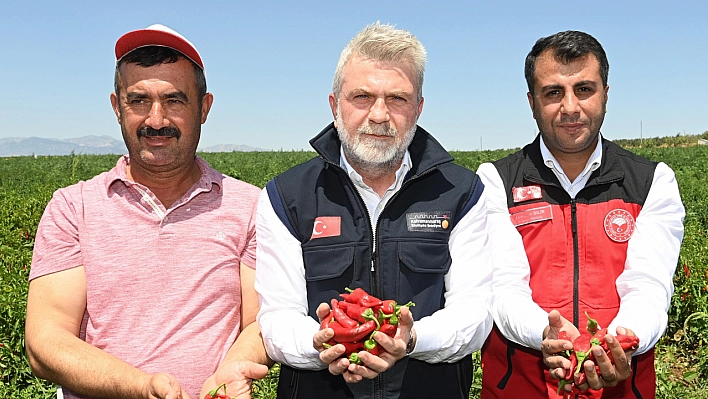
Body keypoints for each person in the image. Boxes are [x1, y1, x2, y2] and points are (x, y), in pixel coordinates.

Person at [25, 24, 270, 399]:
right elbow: (46, 341)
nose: (156, 120)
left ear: (204, 108)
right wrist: (141, 387)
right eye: (138, 101)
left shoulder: (250, 206)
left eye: (175, 101)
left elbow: (258, 321)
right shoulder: (73, 208)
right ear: (116, 107)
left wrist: (233, 369)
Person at [255, 22, 493, 399]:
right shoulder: (287, 196)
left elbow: (474, 314)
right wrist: (323, 344)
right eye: (362, 97)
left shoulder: (461, 193)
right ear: (335, 105)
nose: (379, 115)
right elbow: (277, 318)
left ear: (418, 108)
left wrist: (411, 338)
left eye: (397, 99)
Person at [478, 30, 685, 398]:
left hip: (622, 387)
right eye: (553, 92)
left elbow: (649, 286)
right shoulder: (495, 181)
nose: (570, 107)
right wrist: (545, 332)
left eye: (584, 89)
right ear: (532, 102)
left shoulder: (652, 181)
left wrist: (618, 343)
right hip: (521, 388)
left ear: (606, 93)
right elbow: (503, 288)